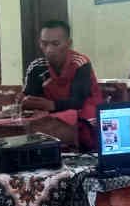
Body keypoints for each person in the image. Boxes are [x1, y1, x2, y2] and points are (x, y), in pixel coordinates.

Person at [22, 19, 104, 148]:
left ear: (68, 43)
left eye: (55, 44)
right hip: (51, 114)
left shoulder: (80, 63)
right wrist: (26, 102)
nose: (49, 50)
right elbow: (31, 100)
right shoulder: (37, 67)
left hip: (83, 111)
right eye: (44, 44)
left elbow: (78, 101)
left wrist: (50, 105)